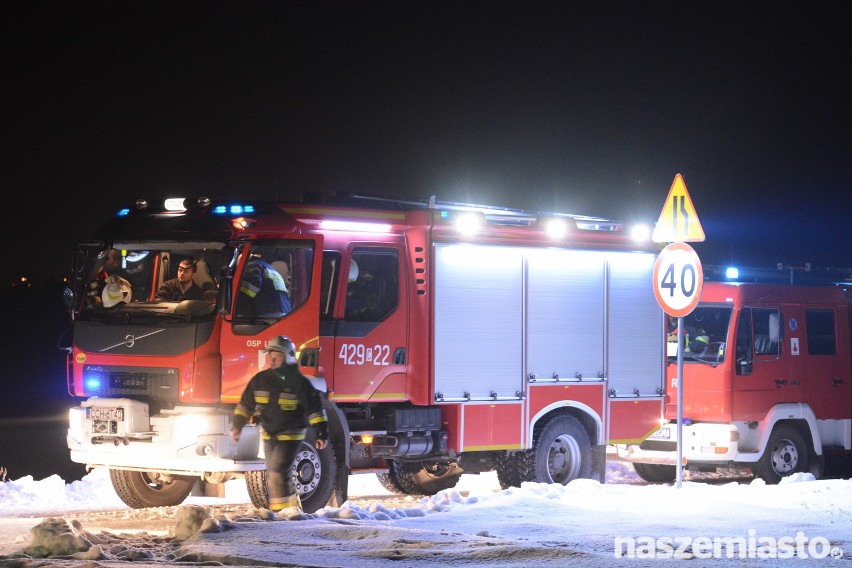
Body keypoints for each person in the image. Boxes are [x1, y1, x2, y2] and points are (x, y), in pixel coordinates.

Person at [231, 336, 328, 513]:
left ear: (288, 357)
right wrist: (237, 426)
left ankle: (281, 515)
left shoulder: (299, 382)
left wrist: (321, 433)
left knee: (277, 473)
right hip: (269, 434)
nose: (273, 359)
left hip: (291, 434)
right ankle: (292, 512)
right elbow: (245, 404)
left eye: (278, 355)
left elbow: (315, 409)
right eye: (271, 355)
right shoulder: (260, 380)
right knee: (276, 474)